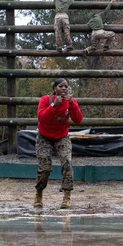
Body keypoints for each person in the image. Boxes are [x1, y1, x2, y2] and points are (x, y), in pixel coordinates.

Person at [34, 77, 83, 209]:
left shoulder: (70, 102)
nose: (64, 89)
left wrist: (72, 103)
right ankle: (39, 193)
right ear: (54, 88)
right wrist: (54, 105)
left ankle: (66, 197)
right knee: (45, 167)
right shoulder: (45, 100)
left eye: (66, 86)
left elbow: (78, 120)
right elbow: (42, 119)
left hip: (62, 136)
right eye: (61, 86)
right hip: (44, 136)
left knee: (67, 163)